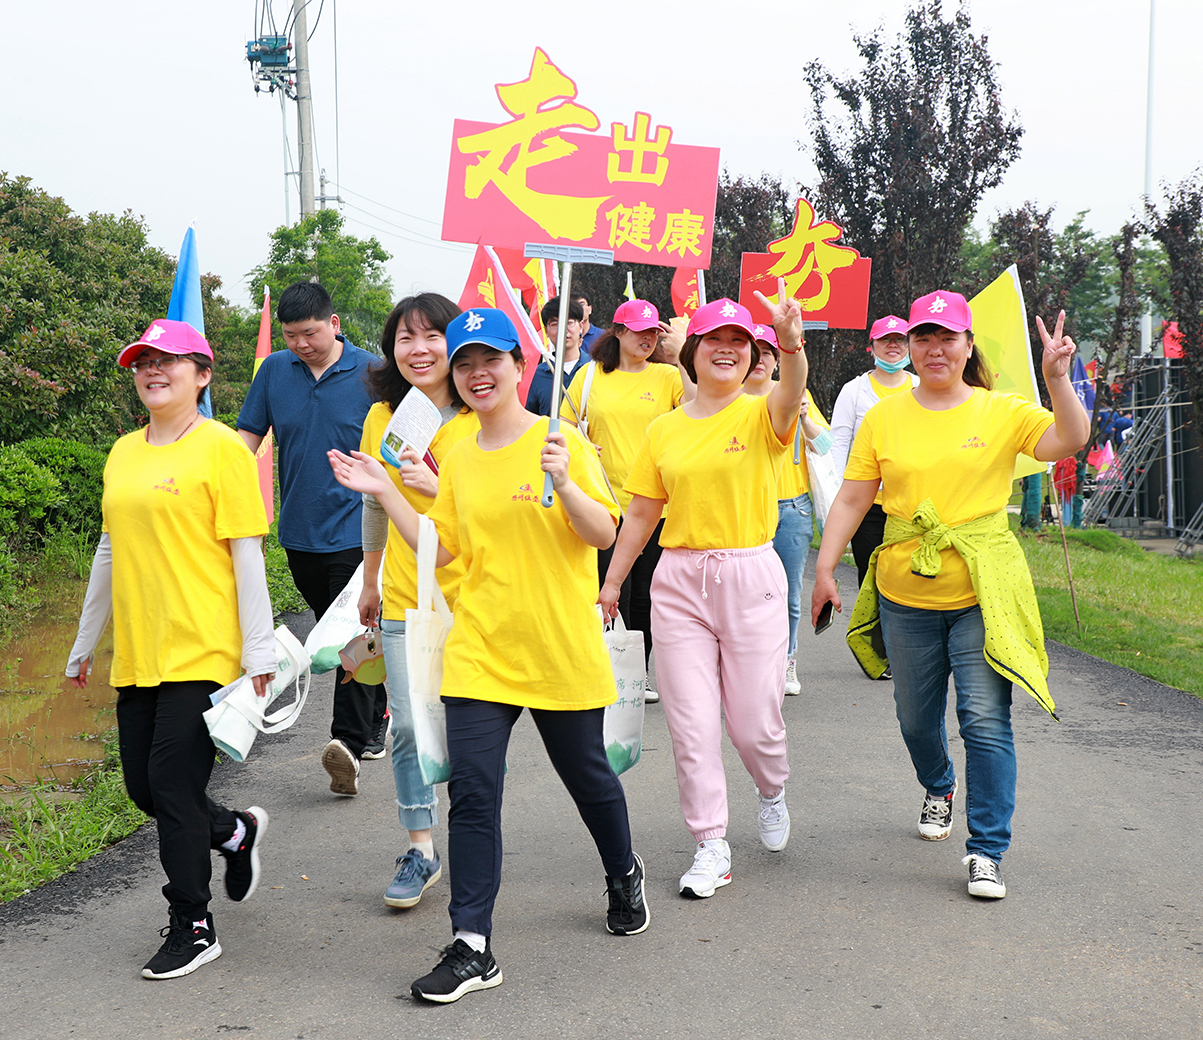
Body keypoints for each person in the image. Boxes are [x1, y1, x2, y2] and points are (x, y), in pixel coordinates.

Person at [328, 307, 648, 1005]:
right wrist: (386, 491)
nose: (477, 374)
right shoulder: (457, 448)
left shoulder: (558, 440)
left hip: (558, 645)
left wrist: (564, 482)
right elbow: (444, 546)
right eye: (465, 362)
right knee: (473, 793)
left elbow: (601, 533)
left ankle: (623, 871)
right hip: (479, 648)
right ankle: (472, 944)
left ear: (517, 366)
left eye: (490, 360)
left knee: (589, 779)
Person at [811, 291, 1089, 901]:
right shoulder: (885, 415)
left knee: (985, 721)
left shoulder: (1002, 411)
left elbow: (1068, 440)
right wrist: (826, 568)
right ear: (909, 346)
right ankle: (939, 785)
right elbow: (855, 497)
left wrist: (1057, 381)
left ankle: (986, 849)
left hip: (980, 591)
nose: (935, 349)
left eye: (948, 338)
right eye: (924, 338)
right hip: (903, 592)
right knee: (915, 718)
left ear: (968, 347)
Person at [65, 319, 275, 979]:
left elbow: (247, 553)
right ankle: (234, 832)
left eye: (171, 362)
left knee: (172, 789)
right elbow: (108, 549)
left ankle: (192, 923)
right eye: (144, 362)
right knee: (143, 788)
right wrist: (83, 639)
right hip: (140, 649)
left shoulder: (222, 451)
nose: (154, 371)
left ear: (203, 375)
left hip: (204, 647)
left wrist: (260, 652)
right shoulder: (124, 451)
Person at [599, 289, 807, 899]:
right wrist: (612, 583)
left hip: (749, 576)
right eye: (715, 339)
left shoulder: (763, 411)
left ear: (751, 355)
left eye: (739, 341)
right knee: (691, 725)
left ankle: (771, 789)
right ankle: (710, 843)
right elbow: (641, 512)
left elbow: (791, 388)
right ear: (692, 352)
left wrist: (789, 341)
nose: (726, 350)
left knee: (752, 725)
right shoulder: (663, 429)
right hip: (681, 580)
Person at [237, 281, 389, 797]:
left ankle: (344, 744)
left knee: (345, 635)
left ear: (335, 324)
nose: (302, 344)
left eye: (311, 333)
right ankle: (378, 706)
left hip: (359, 529)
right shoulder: (274, 372)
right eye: (291, 335)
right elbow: (246, 442)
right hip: (300, 533)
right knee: (351, 636)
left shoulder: (373, 373)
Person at [357, 293, 477, 910]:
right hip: (407, 598)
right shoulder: (384, 419)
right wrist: (369, 580)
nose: (419, 349)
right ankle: (422, 847)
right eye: (406, 339)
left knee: (464, 731)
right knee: (407, 725)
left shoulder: (482, 414)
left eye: (432, 336)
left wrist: (441, 488)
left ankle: (476, 839)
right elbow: (375, 504)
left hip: (474, 600)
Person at [562, 298, 685, 703]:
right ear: (617, 332)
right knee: (610, 589)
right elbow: (562, 425)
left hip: (655, 506)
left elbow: (700, 414)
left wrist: (683, 352)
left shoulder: (668, 377)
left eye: (654, 332)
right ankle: (607, 671)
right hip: (604, 503)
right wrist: (580, 443)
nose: (647, 339)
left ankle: (636, 674)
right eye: (639, 331)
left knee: (645, 593)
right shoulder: (590, 376)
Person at [742, 322, 832, 695]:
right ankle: (748, 662)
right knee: (745, 592)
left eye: (768, 352)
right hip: (745, 506)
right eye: (756, 351)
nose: (761, 359)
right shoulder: (731, 396)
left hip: (791, 508)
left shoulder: (795, 394)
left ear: (778, 359)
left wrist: (807, 418)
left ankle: (787, 660)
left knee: (789, 592)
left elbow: (825, 447)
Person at [829, 315, 918, 590]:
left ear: (909, 345)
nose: (893, 345)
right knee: (871, 581)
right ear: (872, 346)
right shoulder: (854, 391)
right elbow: (838, 445)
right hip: (869, 506)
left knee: (910, 581)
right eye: (885, 340)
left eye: (900, 340)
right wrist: (836, 502)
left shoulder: (921, 387)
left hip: (912, 503)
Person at [523, 295, 590, 416]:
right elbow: (530, 418)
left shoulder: (595, 369)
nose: (563, 330)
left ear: (580, 326)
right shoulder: (537, 375)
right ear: (546, 331)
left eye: (569, 323)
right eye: (554, 324)